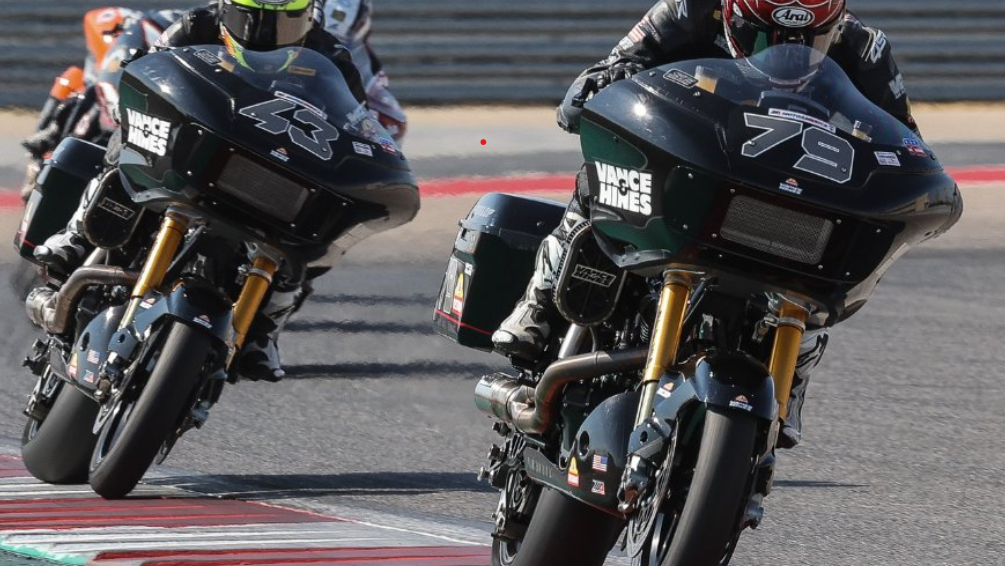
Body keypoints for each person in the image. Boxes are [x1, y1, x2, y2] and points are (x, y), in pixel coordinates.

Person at [492, 0, 919, 449]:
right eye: (766, 38)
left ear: (833, 25)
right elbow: (602, 78)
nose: (789, 54)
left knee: (832, 262)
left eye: (809, 42)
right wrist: (602, 82)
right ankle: (539, 303)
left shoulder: (865, 48)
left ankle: (792, 373)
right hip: (697, 179)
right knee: (601, 177)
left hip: (790, 201)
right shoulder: (687, 11)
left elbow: (905, 137)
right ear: (732, 15)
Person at [32, 0, 370, 383]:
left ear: (309, 15)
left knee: (305, 242)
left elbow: (356, 125)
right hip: (196, 150)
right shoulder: (196, 24)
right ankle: (76, 237)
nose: (266, 34)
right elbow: (147, 73)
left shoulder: (332, 57)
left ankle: (263, 333)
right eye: (251, 19)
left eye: (284, 22)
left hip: (266, 173)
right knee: (127, 145)